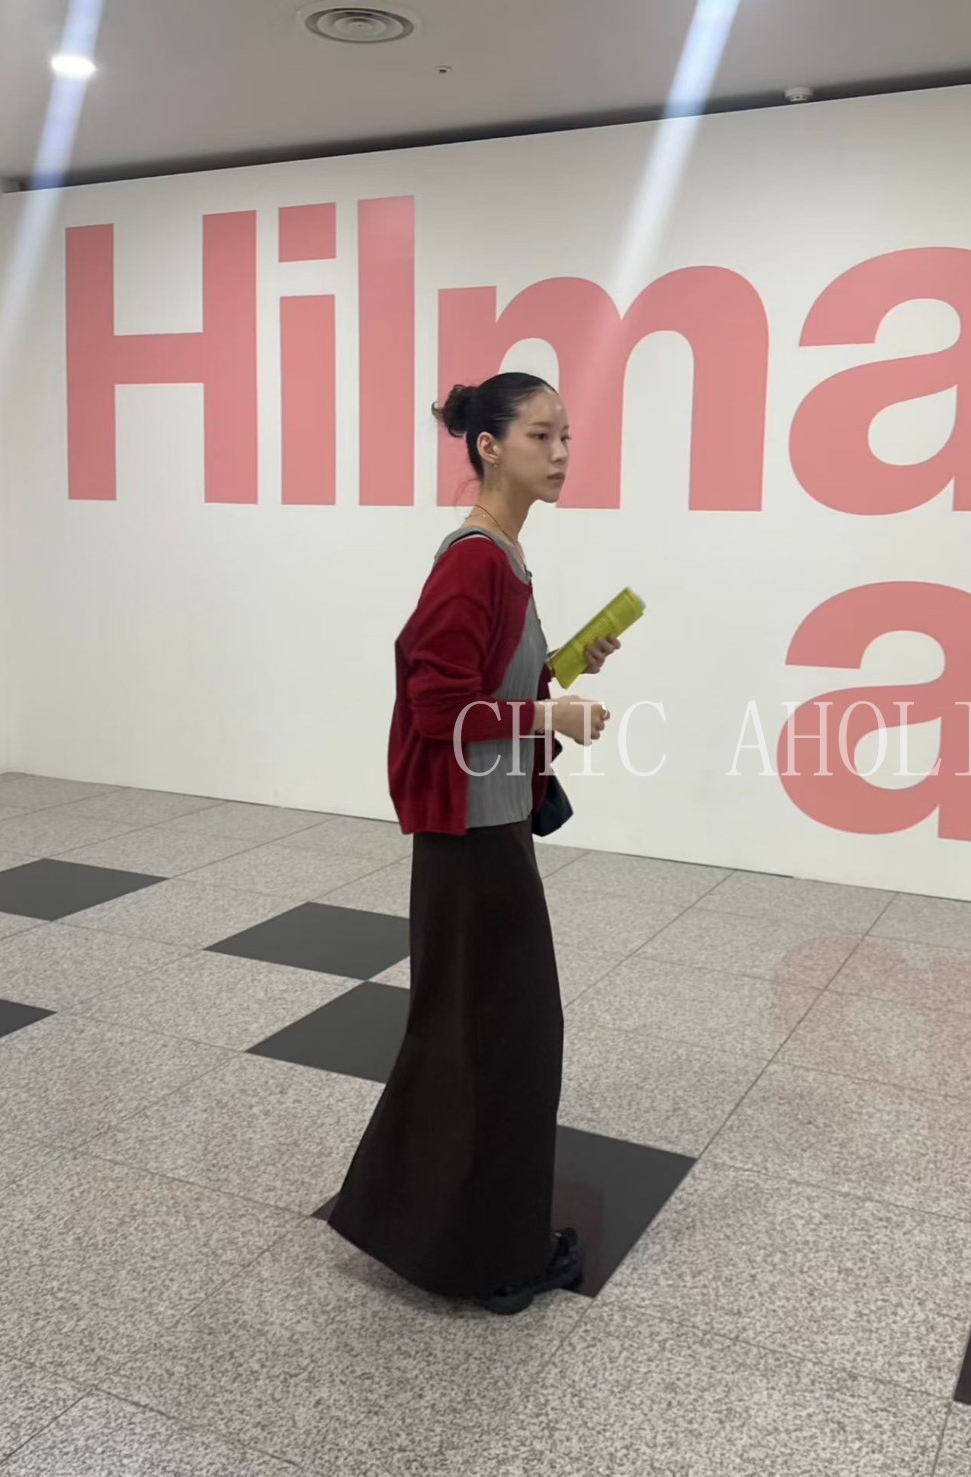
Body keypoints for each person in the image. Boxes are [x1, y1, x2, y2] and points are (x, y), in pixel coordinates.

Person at [327, 371, 619, 1315]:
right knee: (507, 1041)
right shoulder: (475, 562)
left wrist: (561, 667)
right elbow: (438, 709)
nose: (561, 453)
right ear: (489, 447)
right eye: (540, 435)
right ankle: (492, 1257)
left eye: (566, 435)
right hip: (471, 843)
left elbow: (487, 682)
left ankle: (431, 1229)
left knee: (475, 1038)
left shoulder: (505, 556)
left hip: (486, 832)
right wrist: (549, 713)